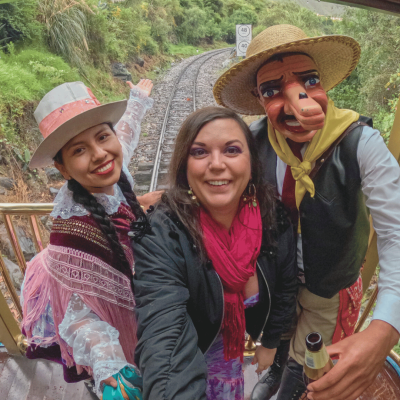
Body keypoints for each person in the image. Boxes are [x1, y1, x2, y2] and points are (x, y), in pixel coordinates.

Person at [213, 24, 400, 400]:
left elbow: (396, 232)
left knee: (310, 360)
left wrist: (385, 326)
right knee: (283, 332)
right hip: (277, 276)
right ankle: (279, 364)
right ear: (258, 99)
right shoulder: (253, 141)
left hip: (329, 284)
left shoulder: (360, 143)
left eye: (309, 81)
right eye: (272, 90)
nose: (295, 102)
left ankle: (294, 382)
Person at [132, 106, 298, 400]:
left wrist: (270, 343)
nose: (217, 164)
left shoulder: (273, 218)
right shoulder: (164, 231)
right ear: (184, 165)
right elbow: (163, 329)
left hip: (230, 355)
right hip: (191, 356)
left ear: (251, 161)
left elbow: (285, 289)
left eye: (232, 150)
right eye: (199, 152)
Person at [21, 79, 155, 398]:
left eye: (103, 137)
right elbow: (80, 318)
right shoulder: (72, 234)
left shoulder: (113, 177)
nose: (99, 154)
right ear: (63, 169)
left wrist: (137, 100)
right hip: (117, 337)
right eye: (79, 150)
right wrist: (109, 365)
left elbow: (125, 138)